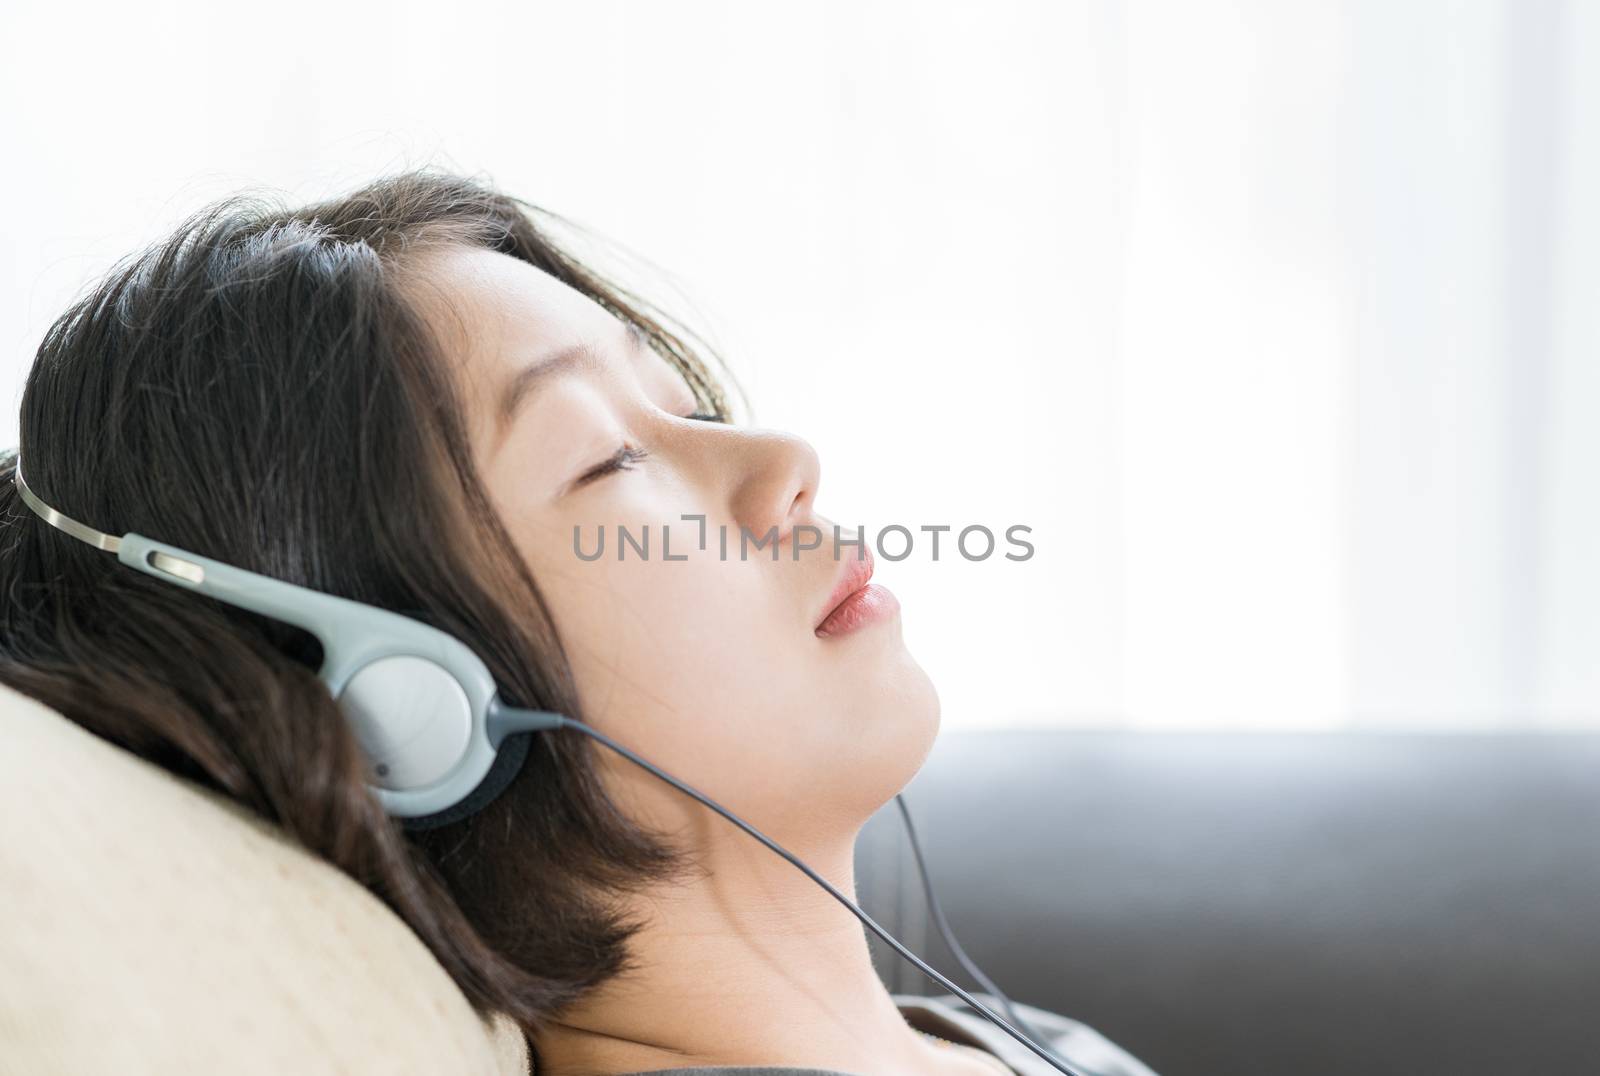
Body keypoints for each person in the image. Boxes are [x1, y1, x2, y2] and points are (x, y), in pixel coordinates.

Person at [0, 169, 1156, 1076]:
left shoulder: (1001, 1036)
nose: (784, 463)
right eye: (608, 460)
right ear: (410, 704)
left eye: (686, 401)